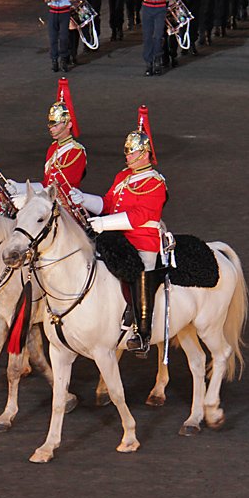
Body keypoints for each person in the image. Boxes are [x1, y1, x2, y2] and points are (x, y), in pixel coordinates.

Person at [73, 105, 167, 354]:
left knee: (141, 274)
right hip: (118, 237)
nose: (126, 156)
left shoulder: (155, 182)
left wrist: (103, 223)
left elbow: (140, 216)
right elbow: (107, 203)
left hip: (143, 240)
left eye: (131, 152)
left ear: (144, 154)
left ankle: (142, 331)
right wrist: (82, 198)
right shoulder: (123, 177)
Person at [6, 77, 86, 204]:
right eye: (51, 125)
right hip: (48, 200)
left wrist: (30, 198)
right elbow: (46, 183)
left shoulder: (76, 151)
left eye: (56, 125)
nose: (51, 129)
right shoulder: (53, 148)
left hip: (65, 205)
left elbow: (64, 189)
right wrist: (20, 188)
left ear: (68, 125)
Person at [138, 0, 172, 76]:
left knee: (158, 36)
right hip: (147, 7)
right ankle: (149, 63)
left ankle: (157, 60)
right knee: (147, 37)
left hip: (160, 7)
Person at [43, 0, 76, 73]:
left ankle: (64, 60)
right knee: (53, 38)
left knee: (63, 38)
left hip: (64, 12)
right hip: (53, 11)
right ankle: (54, 60)